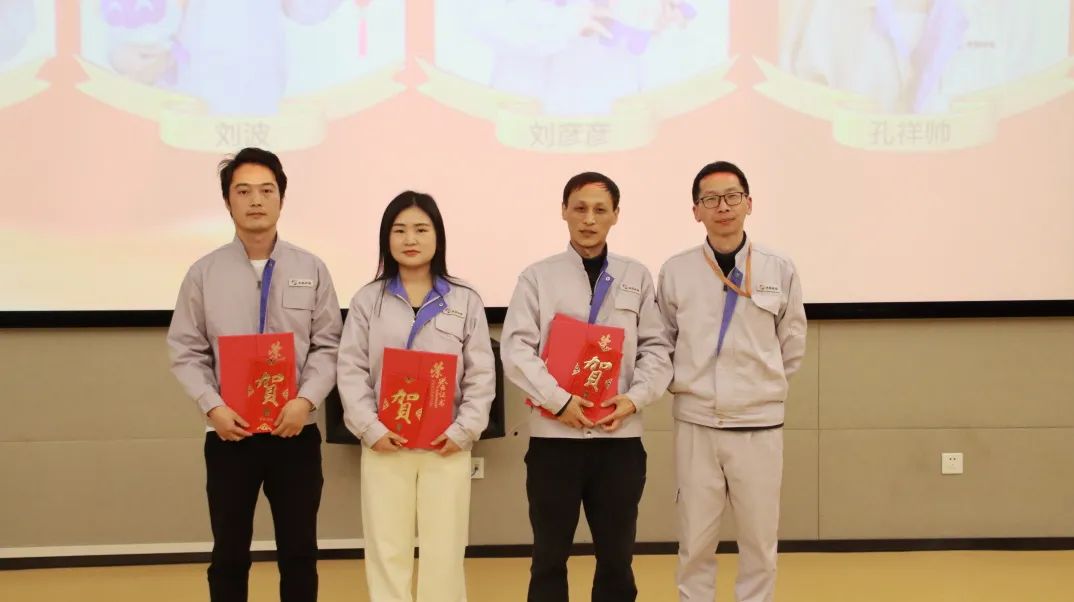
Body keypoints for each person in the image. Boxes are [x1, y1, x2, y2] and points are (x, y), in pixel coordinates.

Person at [167, 147, 342, 601]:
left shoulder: (311, 268)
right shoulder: (203, 273)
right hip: (230, 434)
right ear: (228, 201)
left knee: (299, 553)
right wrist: (213, 407)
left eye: (266, 190)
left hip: (294, 432)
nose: (256, 200)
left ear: (282, 198)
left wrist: (305, 401)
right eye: (243, 191)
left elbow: (329, 345)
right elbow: (185, 349)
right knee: (229, 553)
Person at [500, 171, 672, 602]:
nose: (589, 219)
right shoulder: (537, 276)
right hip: (554, 440)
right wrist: (559, 402)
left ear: (616, 215)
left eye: (600, 209)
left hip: (619, 439)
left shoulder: (636, 275)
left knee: (617, 558)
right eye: (579, 208)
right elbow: (516, 350)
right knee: (548, 557)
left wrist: (634, 399)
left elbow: (657, 349)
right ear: (564, 211)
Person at [656, 161, 806, 602]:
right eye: (710, 199)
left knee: (759, 541)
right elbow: (663, 340)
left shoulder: (778, 268)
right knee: (695, 542)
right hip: (697, 423)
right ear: (696, 211)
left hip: (759, 425)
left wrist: (759, 389)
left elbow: (792, 342)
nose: (722, 207)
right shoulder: (676, 271)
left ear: (748, 203)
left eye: (732, 197)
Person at [337, 191, 496, 602]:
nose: (411, 239)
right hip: (385, 443)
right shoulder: (367, 300)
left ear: (438, 236)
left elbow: (481, 373)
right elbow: (350, 371)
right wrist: (370, 429)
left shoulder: (465, 299)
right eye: (400, 230)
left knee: (445, 549)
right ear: (386, 238)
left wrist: (464, 430)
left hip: (446, 445)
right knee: (387, 548)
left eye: (421, 229)